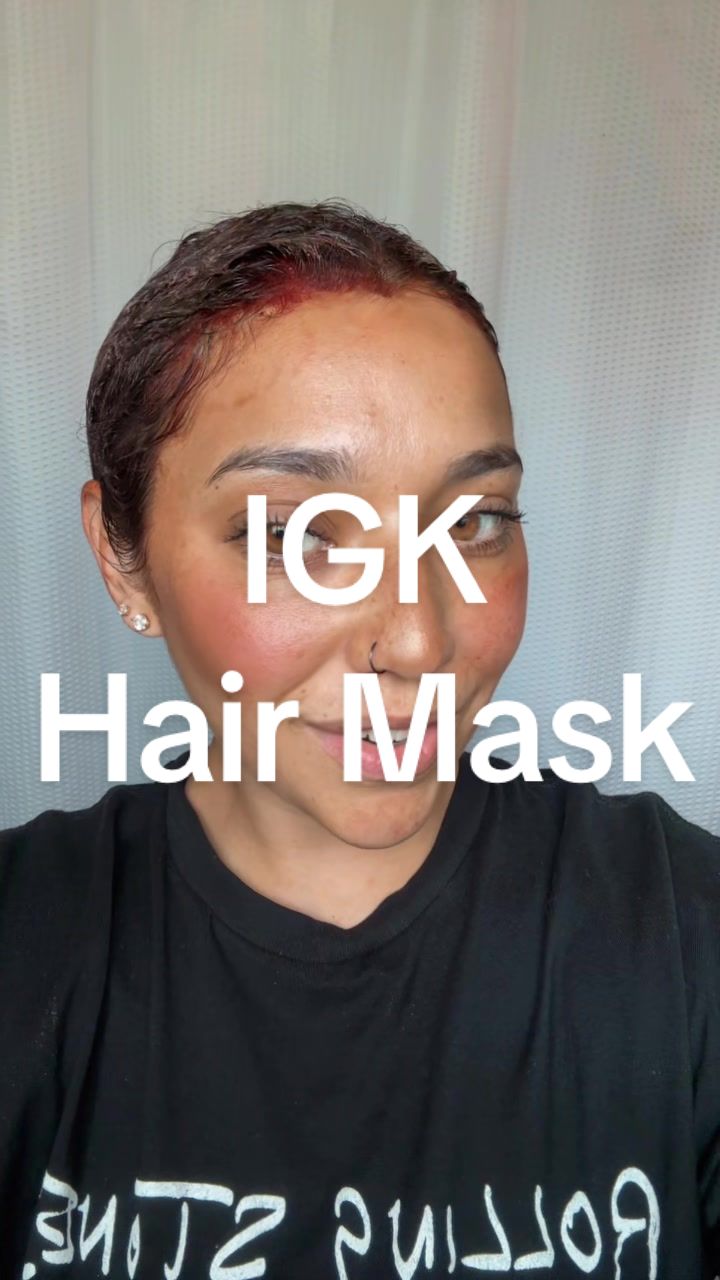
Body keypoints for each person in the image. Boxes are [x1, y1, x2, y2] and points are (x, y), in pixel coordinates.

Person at [1, 199, 718, 1279]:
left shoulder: (679, 934)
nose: (420, 640)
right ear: (121, 555)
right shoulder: (28, 948)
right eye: (296, 534)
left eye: (475, 520)